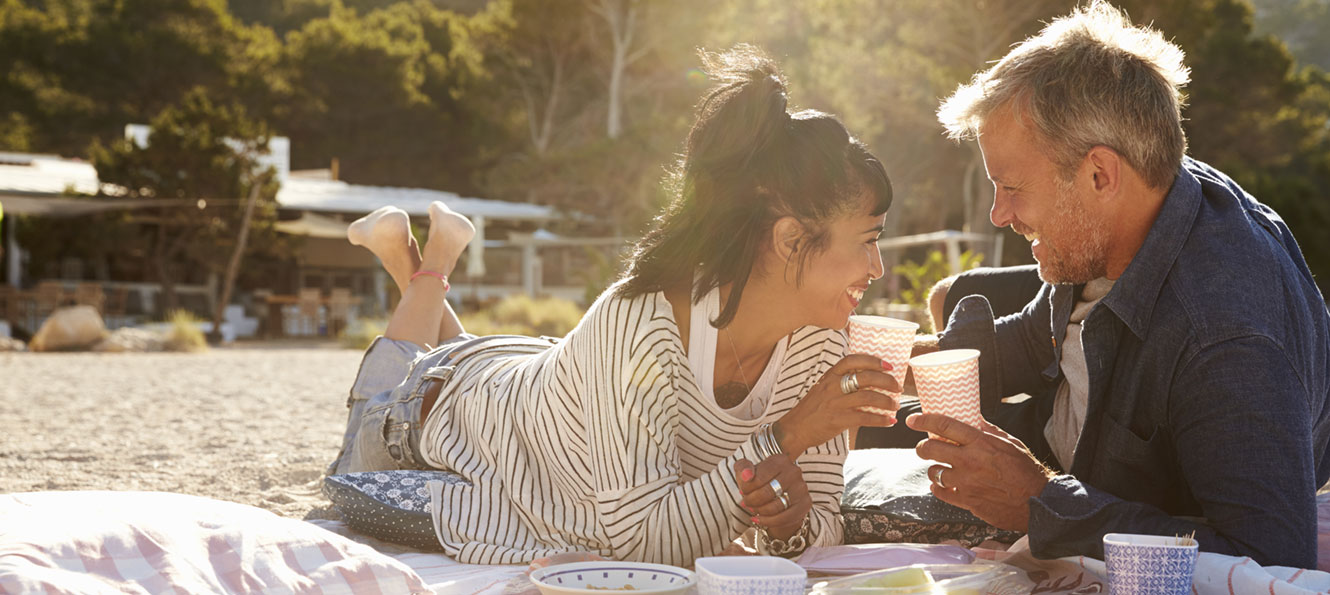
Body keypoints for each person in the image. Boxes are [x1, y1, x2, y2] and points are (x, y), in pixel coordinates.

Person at [329, 45, 902, 565]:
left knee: (489, 365)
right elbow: (639, 543)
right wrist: (787, 436)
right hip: (431, 413)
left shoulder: (824, 340)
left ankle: (421, 259)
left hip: (548, 389)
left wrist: (789, 522)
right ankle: (425, 267)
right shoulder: (642, 324)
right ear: (790, 239)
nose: (877, 270)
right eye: (869, 241)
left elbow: (822, 527)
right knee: (371, 426)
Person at [907, 1, 1330, 568]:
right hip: (1065, 447)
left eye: (1011, 187)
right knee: (866, 437)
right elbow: (1042, 336)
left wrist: (1039, 500)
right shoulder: (1113, 216)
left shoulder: (1227, 338)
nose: (997, 214)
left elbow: (1271, 562)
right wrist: (908, 370)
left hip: (1092, 499)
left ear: (1099, 175)